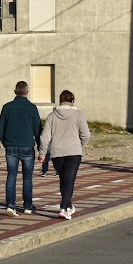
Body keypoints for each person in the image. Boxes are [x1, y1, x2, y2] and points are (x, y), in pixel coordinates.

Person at [38, 90, 90, 220]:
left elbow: (45, 137)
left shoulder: (52, 116)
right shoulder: (78, 115)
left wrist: (42, 153)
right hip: (74, 152)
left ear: (60, 100)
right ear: (72, 101)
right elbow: (86, 134)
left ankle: (68, 206)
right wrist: (80, 145)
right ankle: (63, 207)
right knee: (69, 180)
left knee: (64, 179)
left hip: (57, 153)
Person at [0, 81, 42, 216]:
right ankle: (28, 206)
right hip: (27, 146)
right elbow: (38, 129)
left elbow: (0, 129)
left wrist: (6, 142)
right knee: (27, 178)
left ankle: (11, 205)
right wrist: (40, 147)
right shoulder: (32, 108)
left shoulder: (7, 107)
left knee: (11, 176)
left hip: (11, 147)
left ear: (15, 91)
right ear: (27, 92)